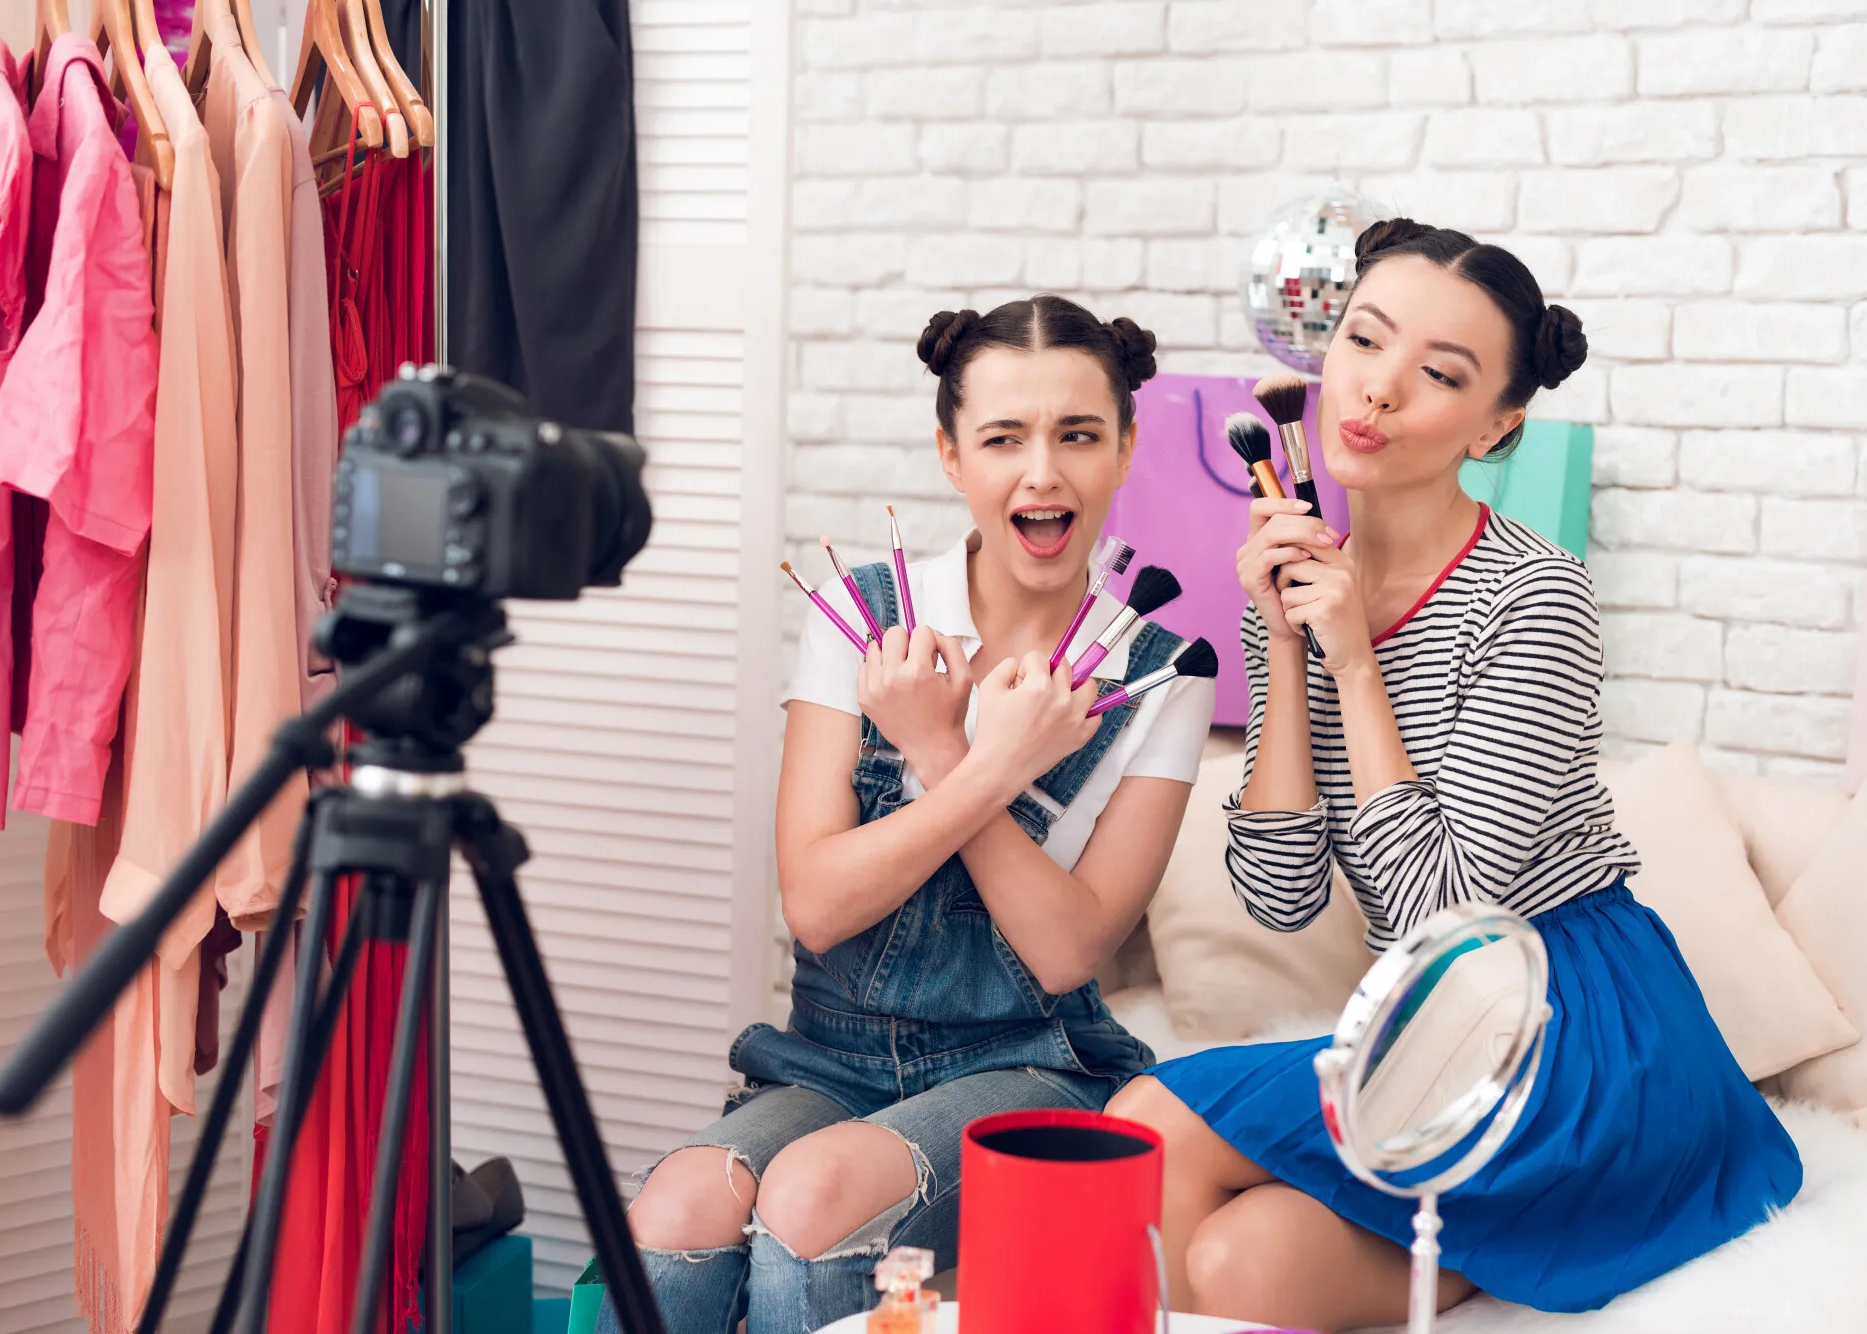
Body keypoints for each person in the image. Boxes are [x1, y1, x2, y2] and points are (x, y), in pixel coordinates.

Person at [1108, 219, 1802, 1330]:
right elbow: (1280, 895)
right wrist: (1281, 646)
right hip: (1429, 1022)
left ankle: (1537, 1206)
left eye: (1437, 374)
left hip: (1568, 1014)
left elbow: (1443, 908)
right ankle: (1504, 1227)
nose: (1376, 391)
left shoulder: (1533, 597)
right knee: (1241, 1262)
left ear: (1498, 422)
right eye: (1363, 341)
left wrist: (1347, 657)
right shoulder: (1299, 579)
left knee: (1146, 1118)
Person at [597, 295, 1215, 1334]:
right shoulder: (862, 618)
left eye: (1077, 435)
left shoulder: (1159, 674)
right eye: (1002, 438)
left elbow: (1067, 947)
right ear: (949, 453)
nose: (1041, 472)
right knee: (676, 1201)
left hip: (1026, 1063)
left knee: (812, 1195)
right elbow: (818, 900)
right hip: (825, 1053)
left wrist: (940, 748)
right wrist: (990, 770)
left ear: (1122, 450)